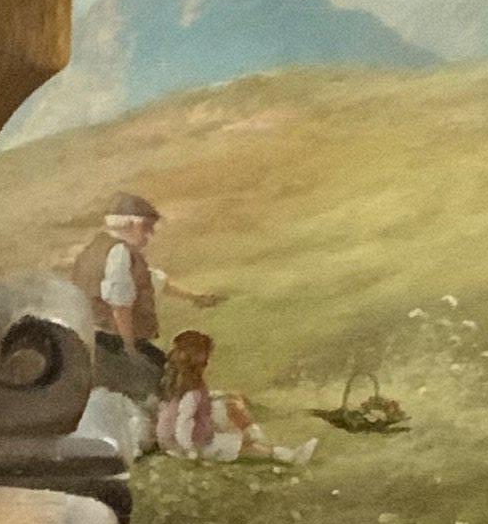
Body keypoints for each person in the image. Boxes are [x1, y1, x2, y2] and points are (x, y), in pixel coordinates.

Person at [82, 192, 224, 407]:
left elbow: (153, 280)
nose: (150, 234)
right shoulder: (120, 253)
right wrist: (130, 350)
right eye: (147, 227)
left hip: (95, 343)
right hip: (111, 346)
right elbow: (120, 306)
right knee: (163, 384)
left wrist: (196, 297)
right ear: (132, 224)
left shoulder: (99, 248)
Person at [153, 327, 314, 466]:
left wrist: (221, 395)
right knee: (244, 447)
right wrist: (190, 452)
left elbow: (185, 410)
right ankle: (289, 456)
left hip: (180, 438)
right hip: (192, 444)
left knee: (231, 404)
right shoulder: (192, 392)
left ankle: (257, 438)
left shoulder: (179, 381)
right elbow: (184, 423)